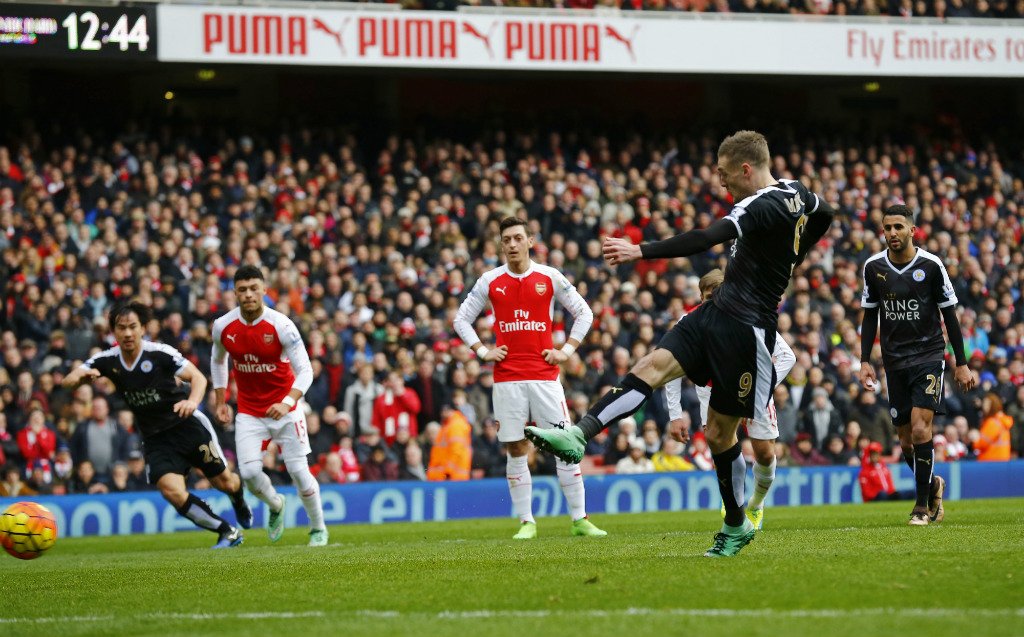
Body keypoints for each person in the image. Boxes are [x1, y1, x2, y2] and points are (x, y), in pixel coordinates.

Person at [528, 130, 834, 556]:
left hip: (748, 332)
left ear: (746, 170)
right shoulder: (797, 192)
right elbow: (827, 212)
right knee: (651, 366)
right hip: (715, 312)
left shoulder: (755, 204)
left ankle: (735, 524)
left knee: (719, 433)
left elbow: (706, 238)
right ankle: (580, 434)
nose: (721, 183)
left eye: (725, 175)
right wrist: (794, 253)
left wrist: (641, 251)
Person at [454, 215, 606, 540]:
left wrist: (566, 350)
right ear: (500, 244)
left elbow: (584, 312)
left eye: (517, 238)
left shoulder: (549, 277)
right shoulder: (490, 281)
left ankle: (580, 519)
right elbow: (461, 319)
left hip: (544, 376)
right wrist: (482, 351)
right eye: (506, 239)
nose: (512, 244)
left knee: (566, 446)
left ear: (530, 240)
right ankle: (527, 522)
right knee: (516, 448)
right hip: (507, 378)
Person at [62, 301, 250, 549]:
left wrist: (192, 402)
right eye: (121, 328)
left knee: (224, 482)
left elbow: (197, 377)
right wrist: (79, 379)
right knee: (170, 490)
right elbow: (68, 381)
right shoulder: (107, 360)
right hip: (155, 438)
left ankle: (237, 498)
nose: (127, 333)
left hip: (186, 426)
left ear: (143, 328)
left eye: (133, 327)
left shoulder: (160, 353)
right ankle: (226, 531)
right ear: (113, 331)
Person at [859, 204, 974, 526]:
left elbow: (949, 314)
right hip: (894, 361)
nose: (892, 233)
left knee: (923, 428)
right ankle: (933, 482)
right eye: (887, 228)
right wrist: (865, 360)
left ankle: (921, 506)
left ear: (912, 230)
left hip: (928, 356)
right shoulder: (872, 267)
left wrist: (960, 363)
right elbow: (870, 315)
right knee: (906, 439)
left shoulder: (931, 265)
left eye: (898, 227)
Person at [666, 268, 797, 530]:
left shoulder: (752, 315)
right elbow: (670, 365)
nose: (713, 302)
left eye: (719, 295)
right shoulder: (688, 322)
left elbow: (787, 357)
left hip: (754, 388)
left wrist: (761, 390)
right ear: (700, 297)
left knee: (764, 453)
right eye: (708, 297)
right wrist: (675, 414)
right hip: (712, 392)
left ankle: (756, 503)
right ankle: (734, 503)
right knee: (722, 449)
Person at [212, 265, 328, 547]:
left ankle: (318, 528)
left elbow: (306, 371)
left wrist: (288, 401)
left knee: (299, 472)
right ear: (235, 293)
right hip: (250, 411)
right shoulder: (223, 327)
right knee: (249, 473)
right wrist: (220, 399)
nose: (249, 294)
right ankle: (276, 504)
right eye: (242, 290)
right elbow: (218, 361)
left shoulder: (282, 325)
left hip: (286, 409)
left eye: (254, 288)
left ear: (265, 290)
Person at [974, 392, 1013, 461]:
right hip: (1001, 462)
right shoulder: (1001, 421)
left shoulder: (993, 423)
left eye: (986, 404)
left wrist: (975, 438)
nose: (984, 406)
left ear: (993, 405)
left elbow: (981, 444)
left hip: (991, 463)